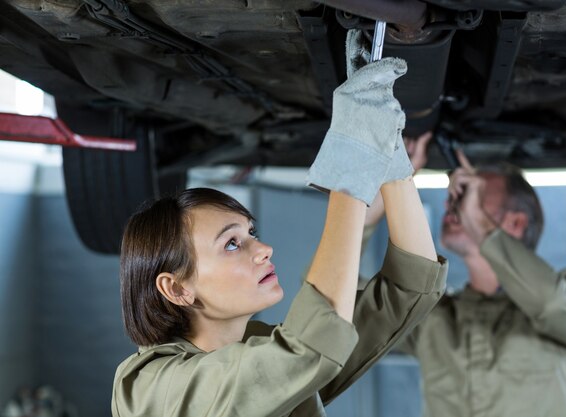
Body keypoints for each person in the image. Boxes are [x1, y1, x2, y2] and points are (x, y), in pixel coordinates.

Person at [111, 29, 447, 417]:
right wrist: (353, 157)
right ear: (177, 288)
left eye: (250, 233)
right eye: (232, 243)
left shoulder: (262, 349)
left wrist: (388, 149)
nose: (264, 248)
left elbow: (409, 289)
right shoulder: (152, 390)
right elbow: (311, 346)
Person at [364, 133, 566, 417]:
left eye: (473, 194)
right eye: (458, 193)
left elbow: (554, 305)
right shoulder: (432, 318)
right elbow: (333, 306)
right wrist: (391, 185)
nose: (454, 203)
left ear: (516, 222)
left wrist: (477, 221)